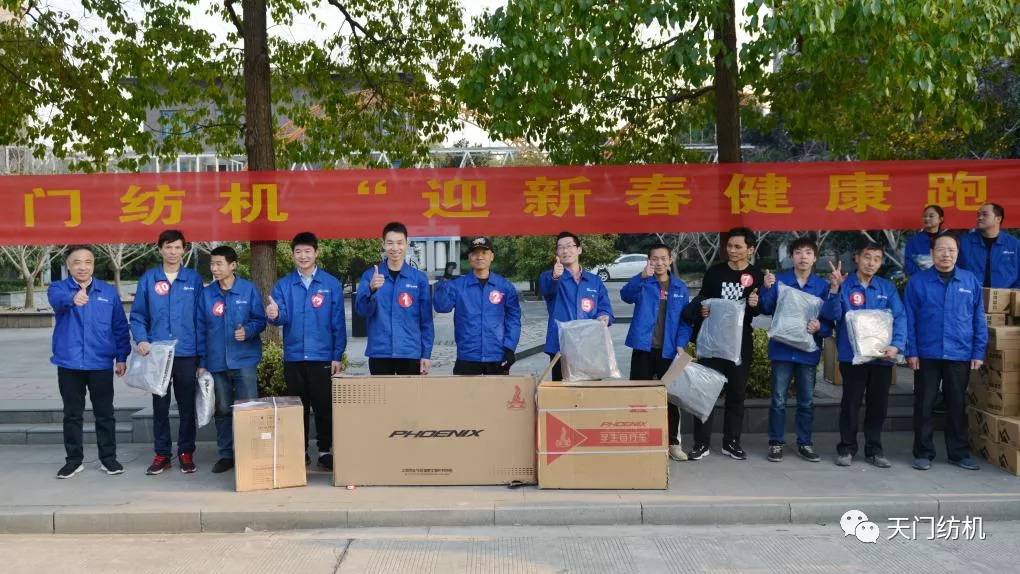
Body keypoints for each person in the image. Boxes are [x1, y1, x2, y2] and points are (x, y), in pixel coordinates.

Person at [905, 234, 986, 471]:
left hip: (960, 353)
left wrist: (978, 351)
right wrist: (911, 351)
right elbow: (909, 320)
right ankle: (923, 452)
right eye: (941, 249)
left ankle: (958, 453)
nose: (946, 254)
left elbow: (978, 319)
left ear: (958, 254)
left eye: (951, 250)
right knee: (924, 404)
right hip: (927, 354)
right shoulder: (918, 282)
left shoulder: (970, 281)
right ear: (932, 253)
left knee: (957, 404)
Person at [48, 245, 130, 479]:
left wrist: (121, 357)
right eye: (77, 262)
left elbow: (120, 327)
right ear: (68, 265)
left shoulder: (108, 292)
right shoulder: (58, 288)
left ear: (93, 265)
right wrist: (73, 298)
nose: (82, 267)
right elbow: (57, 301)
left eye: (88, 262)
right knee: (72, 415)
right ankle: (73, 461)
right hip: (69, 363)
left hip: (100, 362)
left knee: (105, 413)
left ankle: (109, 458)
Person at [822, 241, 907, 468]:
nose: (871, 263)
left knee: (878, 405)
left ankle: (874, 450)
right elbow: (831, 315)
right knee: (851, 403)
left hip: (882, 357)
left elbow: (900, 317)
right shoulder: (845, 285)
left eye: (877, 259)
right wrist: (835, 290)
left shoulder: (887, 288)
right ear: (857, 258)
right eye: (867, 257)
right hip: (852, 357)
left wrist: (897, 345)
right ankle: (846, 448)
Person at [682, 227, 763, 461]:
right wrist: (702, 309)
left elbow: (758, 310)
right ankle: (701, 443)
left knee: (736, 393)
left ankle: (732, 442)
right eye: (729, 246)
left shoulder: (756, 275)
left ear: (750, 249)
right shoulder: (715, 272)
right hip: (712, 341)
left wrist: (756, 303)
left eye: (738, 247)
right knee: (705, 391)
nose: (732, 250)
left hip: (740, 343)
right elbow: (702, 300)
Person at [267, 232, 346, 471]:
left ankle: (325, 451)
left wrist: (336, 355)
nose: (303, 256)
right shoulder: (284, 285)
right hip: (294, 357)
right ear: (292, 255)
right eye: (298, 252)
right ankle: (299, 451)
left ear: (316, 253)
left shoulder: (330, 284)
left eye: (307, 251)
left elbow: (338, 323)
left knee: (323, 407)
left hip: (322, 356)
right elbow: (281, 317)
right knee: (297, 408)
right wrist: (274, 315)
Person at [130, 230, 204, 475]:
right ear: (159, 249)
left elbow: (200, 318)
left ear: (184, 250)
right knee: (160, 406)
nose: (173, 252)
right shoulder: (149, 279)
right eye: (168, 247)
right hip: (157, 354)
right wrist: (141, 339)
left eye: (177, 247)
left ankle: (186, 452)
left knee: (186, 406)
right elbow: (138, 315)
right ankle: (162, 453)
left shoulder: (193, 279)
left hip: (186, 352)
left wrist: (201, 356)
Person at [759, 237, 832, 463]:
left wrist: (820, 328)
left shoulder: (822, 286)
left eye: (808, 252)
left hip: (807, 353)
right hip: (781, 350)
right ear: (791, 257)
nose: (803, 257)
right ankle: (776, 442)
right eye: (798, 252)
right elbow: (766, 308)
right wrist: (766, 288)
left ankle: (805, 443)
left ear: (815, 257)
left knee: (806, 401)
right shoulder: (780, 281)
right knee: (778, 399)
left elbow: (829, 320)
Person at [197, 245, 267, 474]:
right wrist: (202, 363)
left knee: (249, 409)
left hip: (244, 360)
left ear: (233, 265)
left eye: (219, 264)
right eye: (212, 264)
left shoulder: (248, 290)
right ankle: (226, 455)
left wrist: (248, 331)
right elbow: (201, 330)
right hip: (217, 362)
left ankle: (250, 453)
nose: (214, 269)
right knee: (223, 411)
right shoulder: (207, 295)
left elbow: (260, 320)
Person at [620, 243, 693, 461]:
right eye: (654, 259)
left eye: (663, 258)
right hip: (643, 348)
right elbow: (625, 295)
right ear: (648, 261)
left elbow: (685, 321)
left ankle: (673, 443)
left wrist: (681, 344)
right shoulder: (644, 282)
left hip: (669, 351)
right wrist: (641, 277)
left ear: (670, 260)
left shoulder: (680, 287)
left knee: (671, 398)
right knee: (638, 396)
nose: (659, 263)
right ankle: (638, 441)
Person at [433, 237, 522, 375]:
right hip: (467, 356)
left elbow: (513, 319)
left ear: (492, 256)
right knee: (464, 390)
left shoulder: (504, 286)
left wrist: (510, 348)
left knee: (497, 390)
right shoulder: (458, 285)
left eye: (484, 253)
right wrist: (445, 279)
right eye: (475, 253)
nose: (479, 256)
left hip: (496, 355)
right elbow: (441, 306)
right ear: (469, 257)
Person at [355, 221, 434, 375]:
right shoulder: (371, 276)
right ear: (383, 244)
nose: (395, 248)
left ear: (406, 244)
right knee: (382, 392)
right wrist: (371, 289)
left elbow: (426, 321)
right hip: (380, 353)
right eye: (390, 243)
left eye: (399, 243)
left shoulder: (418, 279)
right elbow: (361, 311)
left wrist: (426, 354)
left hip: (410, 353)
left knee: (409, 392)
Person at [538, 231, 614, 381]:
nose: (565, 251)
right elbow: (547, 288)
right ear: (557, 253)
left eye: (569, 246)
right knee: (563, 392)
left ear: (579, 249)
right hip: (561, 348)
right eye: (561, 247)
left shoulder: (594, 281)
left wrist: (604, 316)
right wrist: (555, 276)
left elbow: (604, 306)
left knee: (590, 391)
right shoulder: (550, 277)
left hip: (589, 346)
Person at [957, 202, 1020, 288]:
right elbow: (956, 270)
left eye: (985, 214)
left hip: (1005, 295)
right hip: (970, 293)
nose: (980, 218)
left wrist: (1013, 293)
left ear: (998, 219)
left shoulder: (1014, 245)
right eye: (978, 215)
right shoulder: (964, 242)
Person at [904, 205, 947, 278]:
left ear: (940, 219)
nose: (927, 218)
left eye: (931, 216)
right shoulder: (913, 241)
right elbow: (909, 266)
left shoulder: (948, 240)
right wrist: (925, 278)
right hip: (921, 281)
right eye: (925, 216)